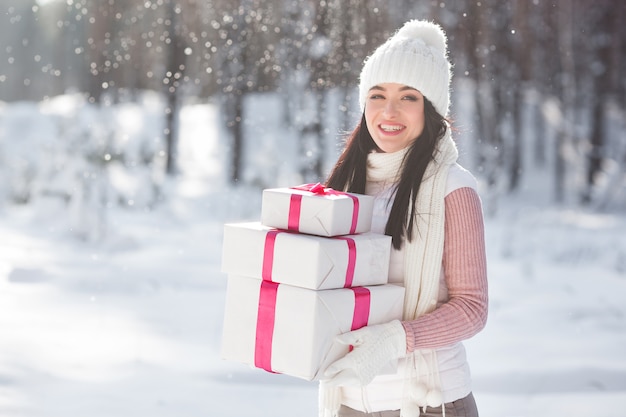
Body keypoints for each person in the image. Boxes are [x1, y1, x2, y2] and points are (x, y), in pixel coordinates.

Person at [319, 19, 488, 417]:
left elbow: (472, 308)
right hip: (349, 399)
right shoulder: (344, 187)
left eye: (408, 97)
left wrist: (395, 340)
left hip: (429, 401)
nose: (388, 111)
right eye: (377, 95)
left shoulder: (453, 188)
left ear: (430, 110)